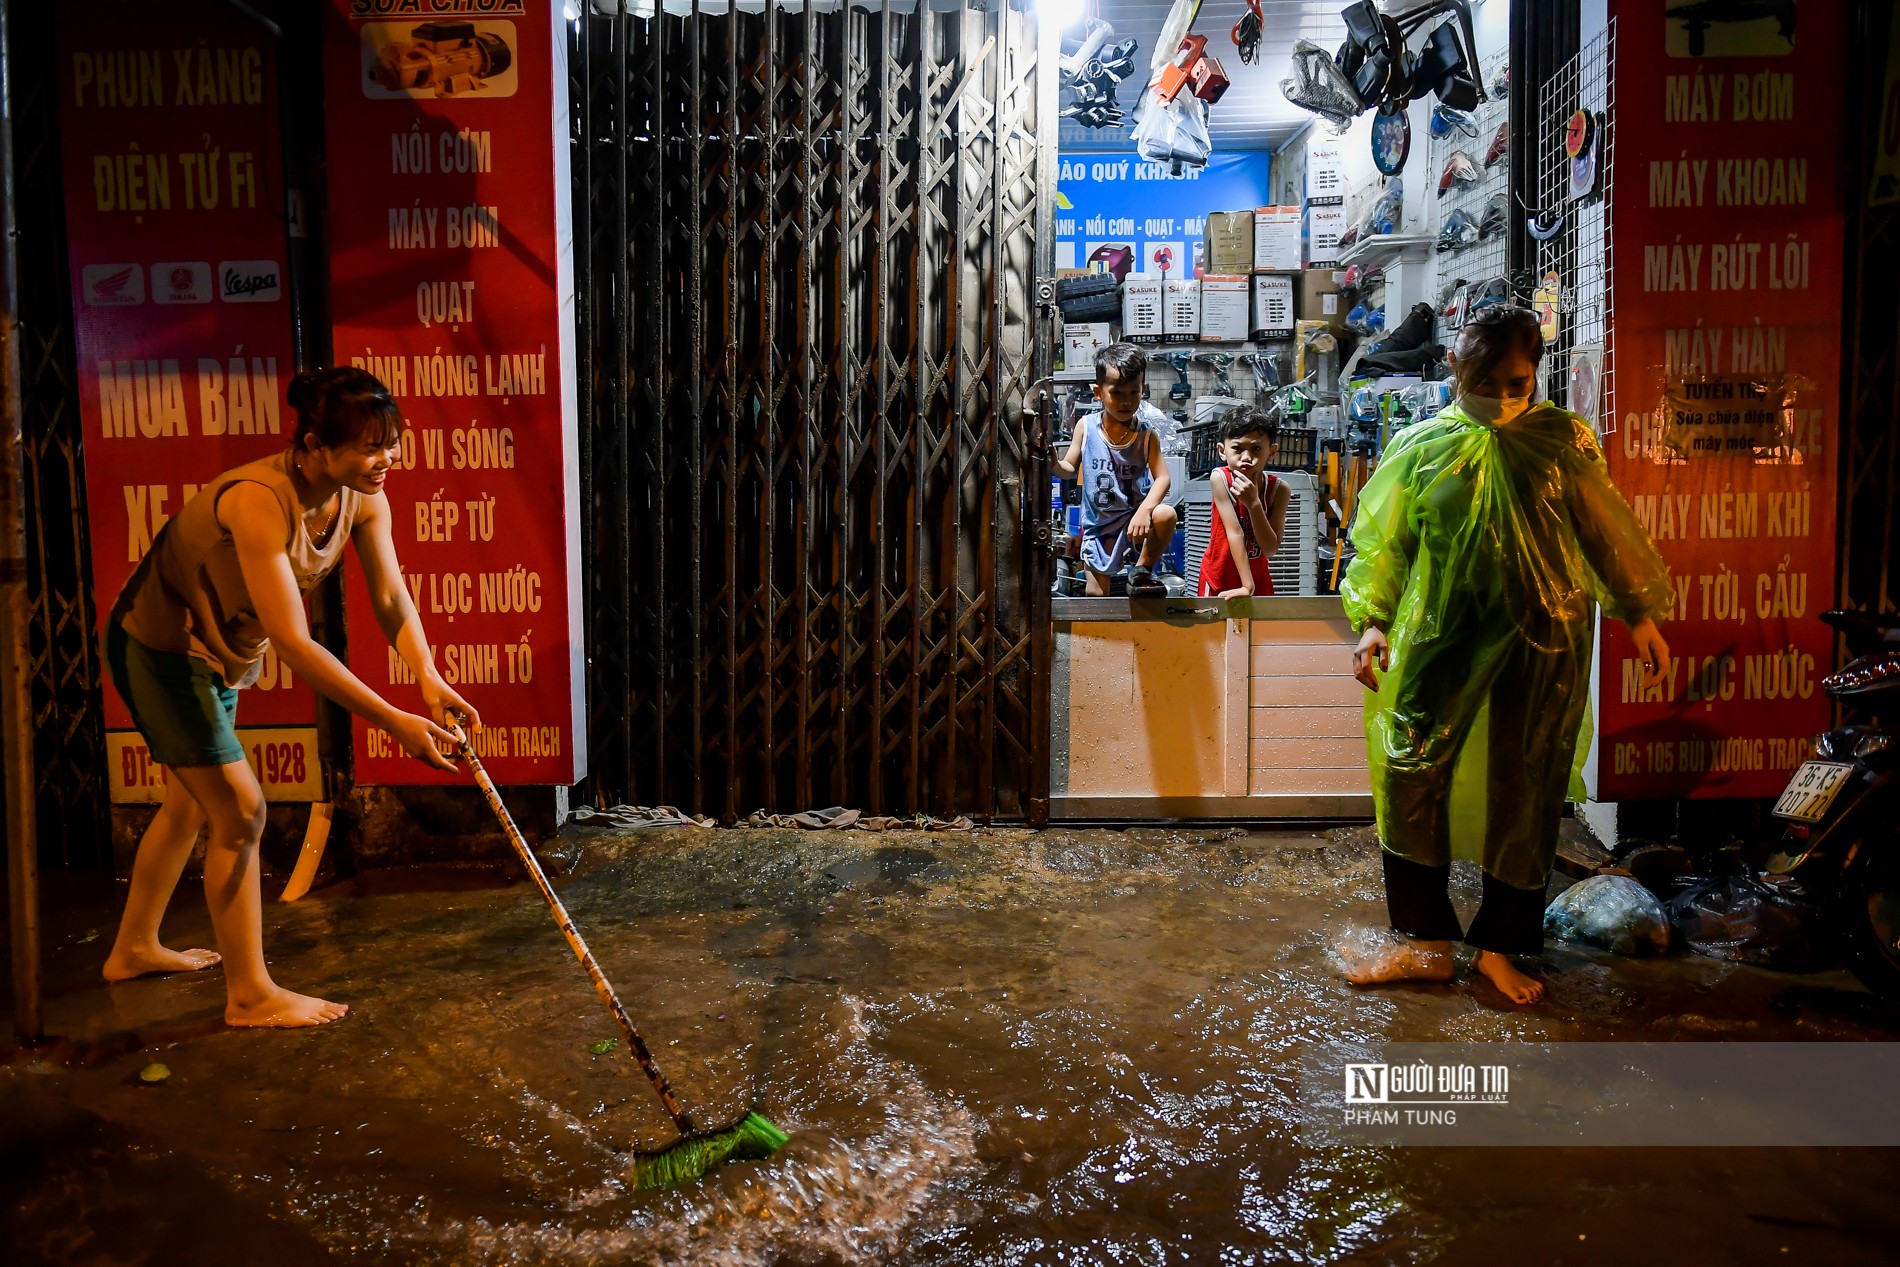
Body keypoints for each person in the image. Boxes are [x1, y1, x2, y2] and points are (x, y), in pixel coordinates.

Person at [101, 367, 480, 1027]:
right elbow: (296, 644)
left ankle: (133, 947)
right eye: (368, 446)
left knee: (192, 803)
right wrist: (394, 722)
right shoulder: (259, 500)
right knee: (242, 809)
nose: (384, 459)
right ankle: (249, 994)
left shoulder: (363, 495)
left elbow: (390, 598)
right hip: (161, 650)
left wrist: (427, 674)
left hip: (217, 654)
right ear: (312, 447)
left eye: (391, 442)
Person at [1339, 305, 1672, 1005]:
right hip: (1440, 632)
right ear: (1456, 369)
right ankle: (1426, 939)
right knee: (1410, 768)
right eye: (1482, 378)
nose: (1497, 393)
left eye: (1513, 380)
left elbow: (1604, 530)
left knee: (1528, 781)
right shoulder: (1424, 446)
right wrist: (1372, 620)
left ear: (1535, 374)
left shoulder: (1563, 441)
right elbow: (1386, 541)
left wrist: (1638, 614)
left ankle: (1499, 945)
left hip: (1543, 634)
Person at [1056, 342, 1176, 597]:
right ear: (1098, 392)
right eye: (1118, 393)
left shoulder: (1146, 435)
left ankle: (1142, 570)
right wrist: (1054, 464)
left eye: (1134, 392)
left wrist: (1145, 510)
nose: (1127, 401)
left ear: (1143, 389)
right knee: (1097, 596)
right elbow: (1068, 468)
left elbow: (1163, 478)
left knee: (1165, 514)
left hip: (1135, 521)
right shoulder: (1086, 427)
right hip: (1099, 527)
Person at [1197, 406, 1290, 599]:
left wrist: (1254, 504)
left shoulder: (1279, 490)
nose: (1246, 458)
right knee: (1213, 629)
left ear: (1271, 452)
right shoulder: (1220, 479)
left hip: (1258, 579)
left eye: (1256, 448)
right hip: (1219, 577)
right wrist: (1247, 586)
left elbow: (1271, 548)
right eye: (1237, 448)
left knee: (1261, 629)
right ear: (1222, 451)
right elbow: (1235, 532)